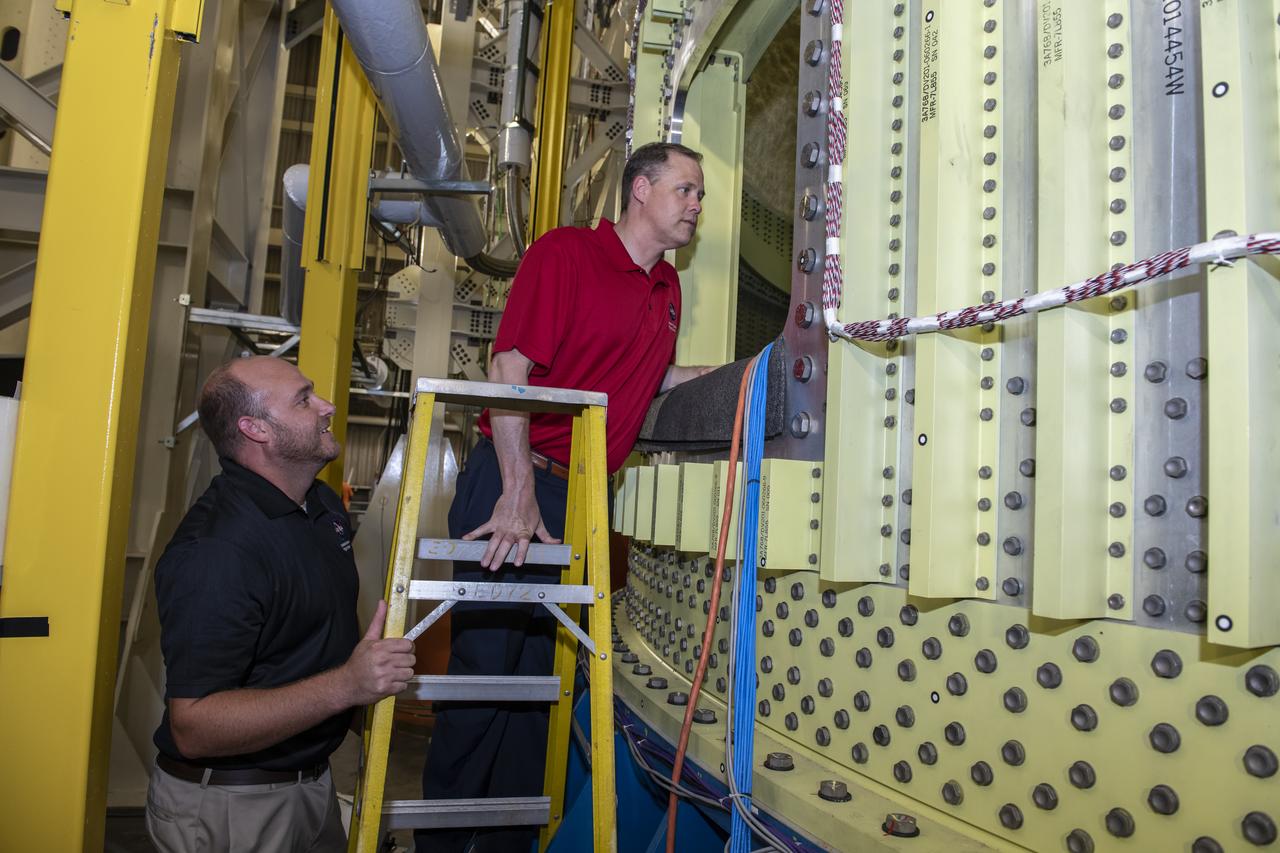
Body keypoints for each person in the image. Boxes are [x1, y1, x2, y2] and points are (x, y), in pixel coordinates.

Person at [418, 142, 715, 853]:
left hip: (580, 497)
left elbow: (656, 381)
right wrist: (518, 493)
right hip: (516, 478)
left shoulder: (666, 290)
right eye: (686, 189)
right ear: (640, 189)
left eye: (700, 195)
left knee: (539, 694)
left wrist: (748, 373)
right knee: (487, 675)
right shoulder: (566, 255)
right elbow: (508, 367)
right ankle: (439, 844)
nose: (696, 205)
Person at [147, 356, 416, 852]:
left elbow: (311, 639)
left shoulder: (321, 507)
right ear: (255, 429)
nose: (327, 406)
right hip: (232, 808)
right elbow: (194, 726)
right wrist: (348, 686)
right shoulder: (217, 552)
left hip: (311, 786)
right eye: (304, 398)